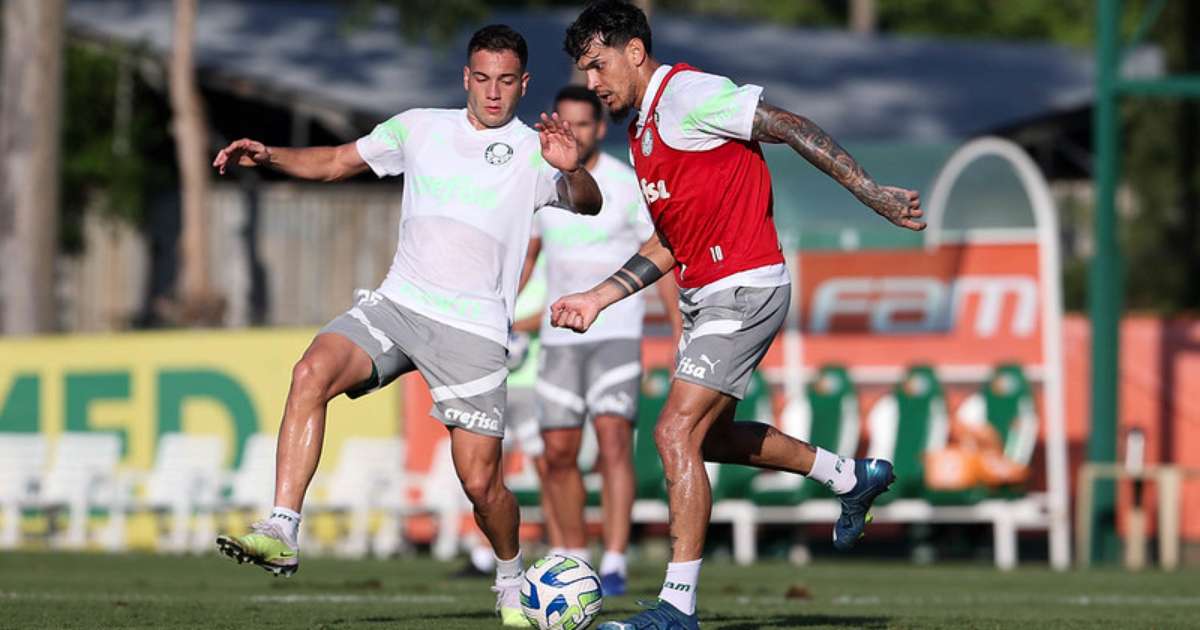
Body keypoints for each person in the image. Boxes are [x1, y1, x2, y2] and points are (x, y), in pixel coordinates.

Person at [210, 24, 602, 628]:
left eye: (505, 81)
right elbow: (339, 161)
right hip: (399, 304)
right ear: (464, 78)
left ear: (524, 84)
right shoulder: (418, 127)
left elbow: (588, 203)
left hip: (472, 334)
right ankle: (283, 526)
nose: (492, 93)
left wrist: (574, 169)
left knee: (481, 485)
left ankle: (508, 574)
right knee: (310, 371)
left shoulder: (536, 148)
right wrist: (273, 155)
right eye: (481, 78)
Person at [552, 2, 926, 628]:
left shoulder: (690, 93)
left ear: (635, 53)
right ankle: (849, 476)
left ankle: (676, 609)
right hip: (708, 292)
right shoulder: (642, 130)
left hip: (745, 284)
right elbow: (672, 241)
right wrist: (598, 297)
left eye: (597, 64)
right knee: (713, 438)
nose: (591, 82)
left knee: (673, 432)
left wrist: (872, 194)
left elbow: (786, 123)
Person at [522, 85, 682, 596]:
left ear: (600, 127)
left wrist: (679, 330)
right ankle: (573, 556)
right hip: (557, 339)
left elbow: (659, 256)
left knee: (614, 444)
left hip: (615, 331)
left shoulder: (625, 183)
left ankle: (614, 559)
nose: (574, 132)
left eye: (583, 124)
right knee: (558, 452)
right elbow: (526, 260)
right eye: (564, 124)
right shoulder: (543, 185)